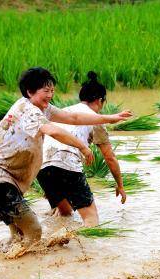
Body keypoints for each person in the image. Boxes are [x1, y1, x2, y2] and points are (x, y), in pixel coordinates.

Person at [0, 67, 131, 245]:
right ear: (30, 91)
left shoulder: (42, 108)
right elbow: (52, 130)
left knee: (19, 236)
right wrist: (83, 146)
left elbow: (73, 118)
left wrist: (111, 117)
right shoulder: (28, 111)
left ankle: (11, 266)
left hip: (5, 181)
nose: (50, 94)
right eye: (46, 90)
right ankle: (33, 261)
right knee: (35, 232)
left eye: (52, 90)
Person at [37, 71, 126, 227]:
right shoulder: (94, 118)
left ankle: (60, 248)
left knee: (65, 214)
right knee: (92, 220)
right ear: (100, 101)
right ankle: (86, 249)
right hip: (67, 164)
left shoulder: (63, 112)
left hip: (43, 168)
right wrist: (120, 185)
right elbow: (109, 157)